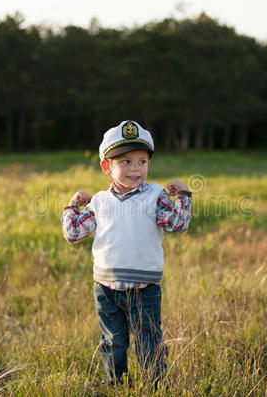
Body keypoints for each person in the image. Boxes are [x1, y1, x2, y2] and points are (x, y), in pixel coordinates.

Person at [61, 120, 192, 387]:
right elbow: (73, 234)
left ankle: (156, 386)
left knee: (149, 341)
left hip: (144, 289)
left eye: (142, 162)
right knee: (113, 341)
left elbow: (178, 224)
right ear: (106, 167)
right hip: (106, 289)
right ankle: (118, 385)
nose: (135, 169)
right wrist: (72, 207)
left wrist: (184, 196)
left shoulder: (156, 196)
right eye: (126, 162)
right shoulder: (99, 201)